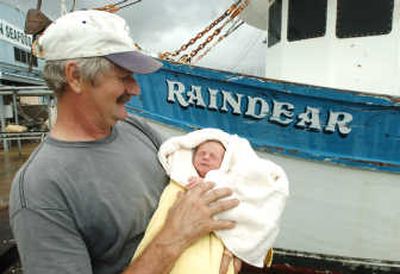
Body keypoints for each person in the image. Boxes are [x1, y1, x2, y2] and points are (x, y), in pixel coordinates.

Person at [8, 10, 240, 274]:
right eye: (123, 77)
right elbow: (182, 224)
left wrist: (231, 244)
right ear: (75, 76)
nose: (136, 89)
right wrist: (175, 237)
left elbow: (203, 186)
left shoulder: (136, 129)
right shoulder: (40, 189)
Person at [133, 128, 289, 274]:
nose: (206, 157)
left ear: (225, 163)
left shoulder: (230, 186)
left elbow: (249, 215)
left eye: (213, 156)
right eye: (201, 153)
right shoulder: (177, 179)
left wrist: (236, 245)